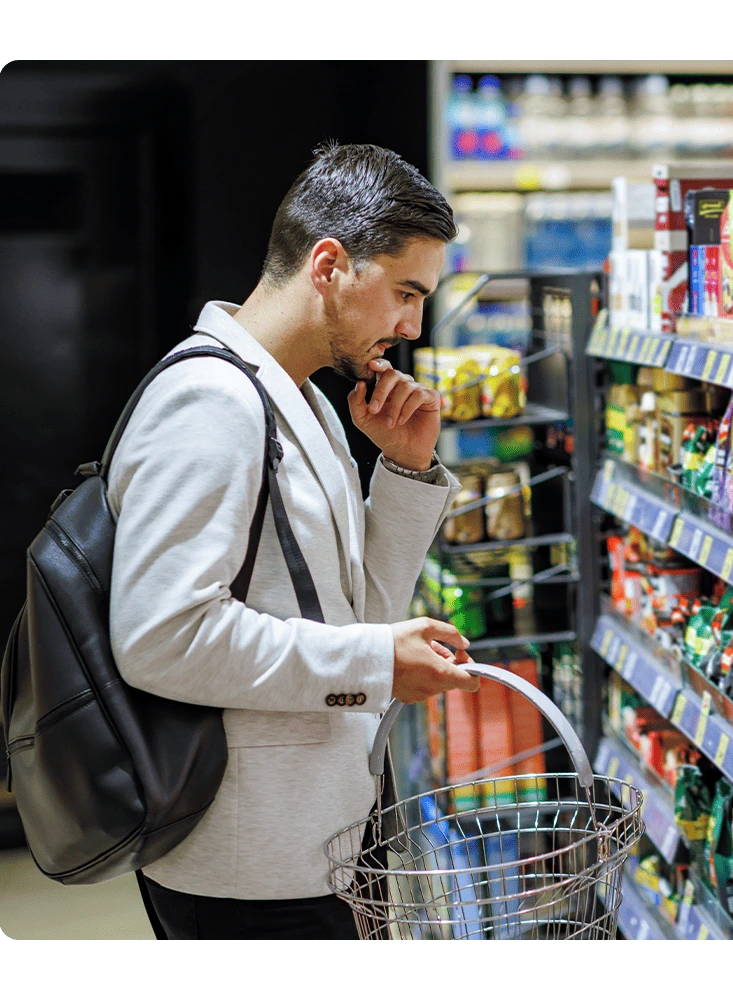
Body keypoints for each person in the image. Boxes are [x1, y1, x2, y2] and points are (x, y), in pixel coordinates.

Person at [106, 142, 481, 942]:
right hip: (247, 863)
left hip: (320, 833)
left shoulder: (302, 402)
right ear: (328, 264)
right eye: (405, 293)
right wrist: (376, 663)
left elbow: (354, 614)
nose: (413, 326)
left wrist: (405, 476)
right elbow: (160, 639)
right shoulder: (210, 404)